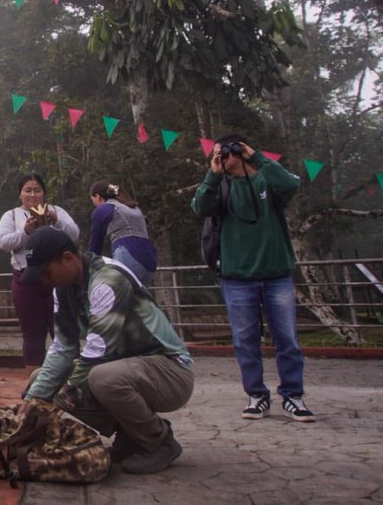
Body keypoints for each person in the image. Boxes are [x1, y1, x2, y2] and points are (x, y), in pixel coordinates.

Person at [19, 226, 194, 475]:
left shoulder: (108, 279)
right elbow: (63, 349)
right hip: (128, 369)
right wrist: (33, 397)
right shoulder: (64, 289)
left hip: (171, 370)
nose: (44, 281)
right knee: (40, 381)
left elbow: (96, 354)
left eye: (47, 272)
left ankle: (160, 441)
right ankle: (131, 436)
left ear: (68, 258)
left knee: (101, 378)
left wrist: (53, 402)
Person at [190, 135, 314, 422]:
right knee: (245, 340)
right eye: (220, 152)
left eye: (231, 151)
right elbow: (199, 207)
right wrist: (213, 173)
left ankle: (293, 396)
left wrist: (256, 157)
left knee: (287, 339)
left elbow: (291, 185)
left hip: (276, 273)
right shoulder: (219, 185)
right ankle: (256, 394)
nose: (226, 156)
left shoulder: (266, 180)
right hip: (237, 276)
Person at [0, 174, 80, 373]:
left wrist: (57, 221)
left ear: (44, 193)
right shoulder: (12, 215)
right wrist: (25, 232)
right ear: (20, 194)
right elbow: (4, 242)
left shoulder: (56, 211)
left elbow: (74, 235)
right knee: (32, 334)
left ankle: (74, 382)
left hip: (57, 278)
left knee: (63, 329)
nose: (32, 195)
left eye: (37, 190)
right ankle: (34, 385)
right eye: (27, 190)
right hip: (26, 280)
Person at [87, 181, 157, 286]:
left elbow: (96, 242)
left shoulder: (104, 209)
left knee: (121, 298)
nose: (94, 204)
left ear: (97, 196)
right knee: (139, 300)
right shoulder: (133, 207)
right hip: (148, 259)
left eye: (92, 200)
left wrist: (89, 263)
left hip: (128, 253)